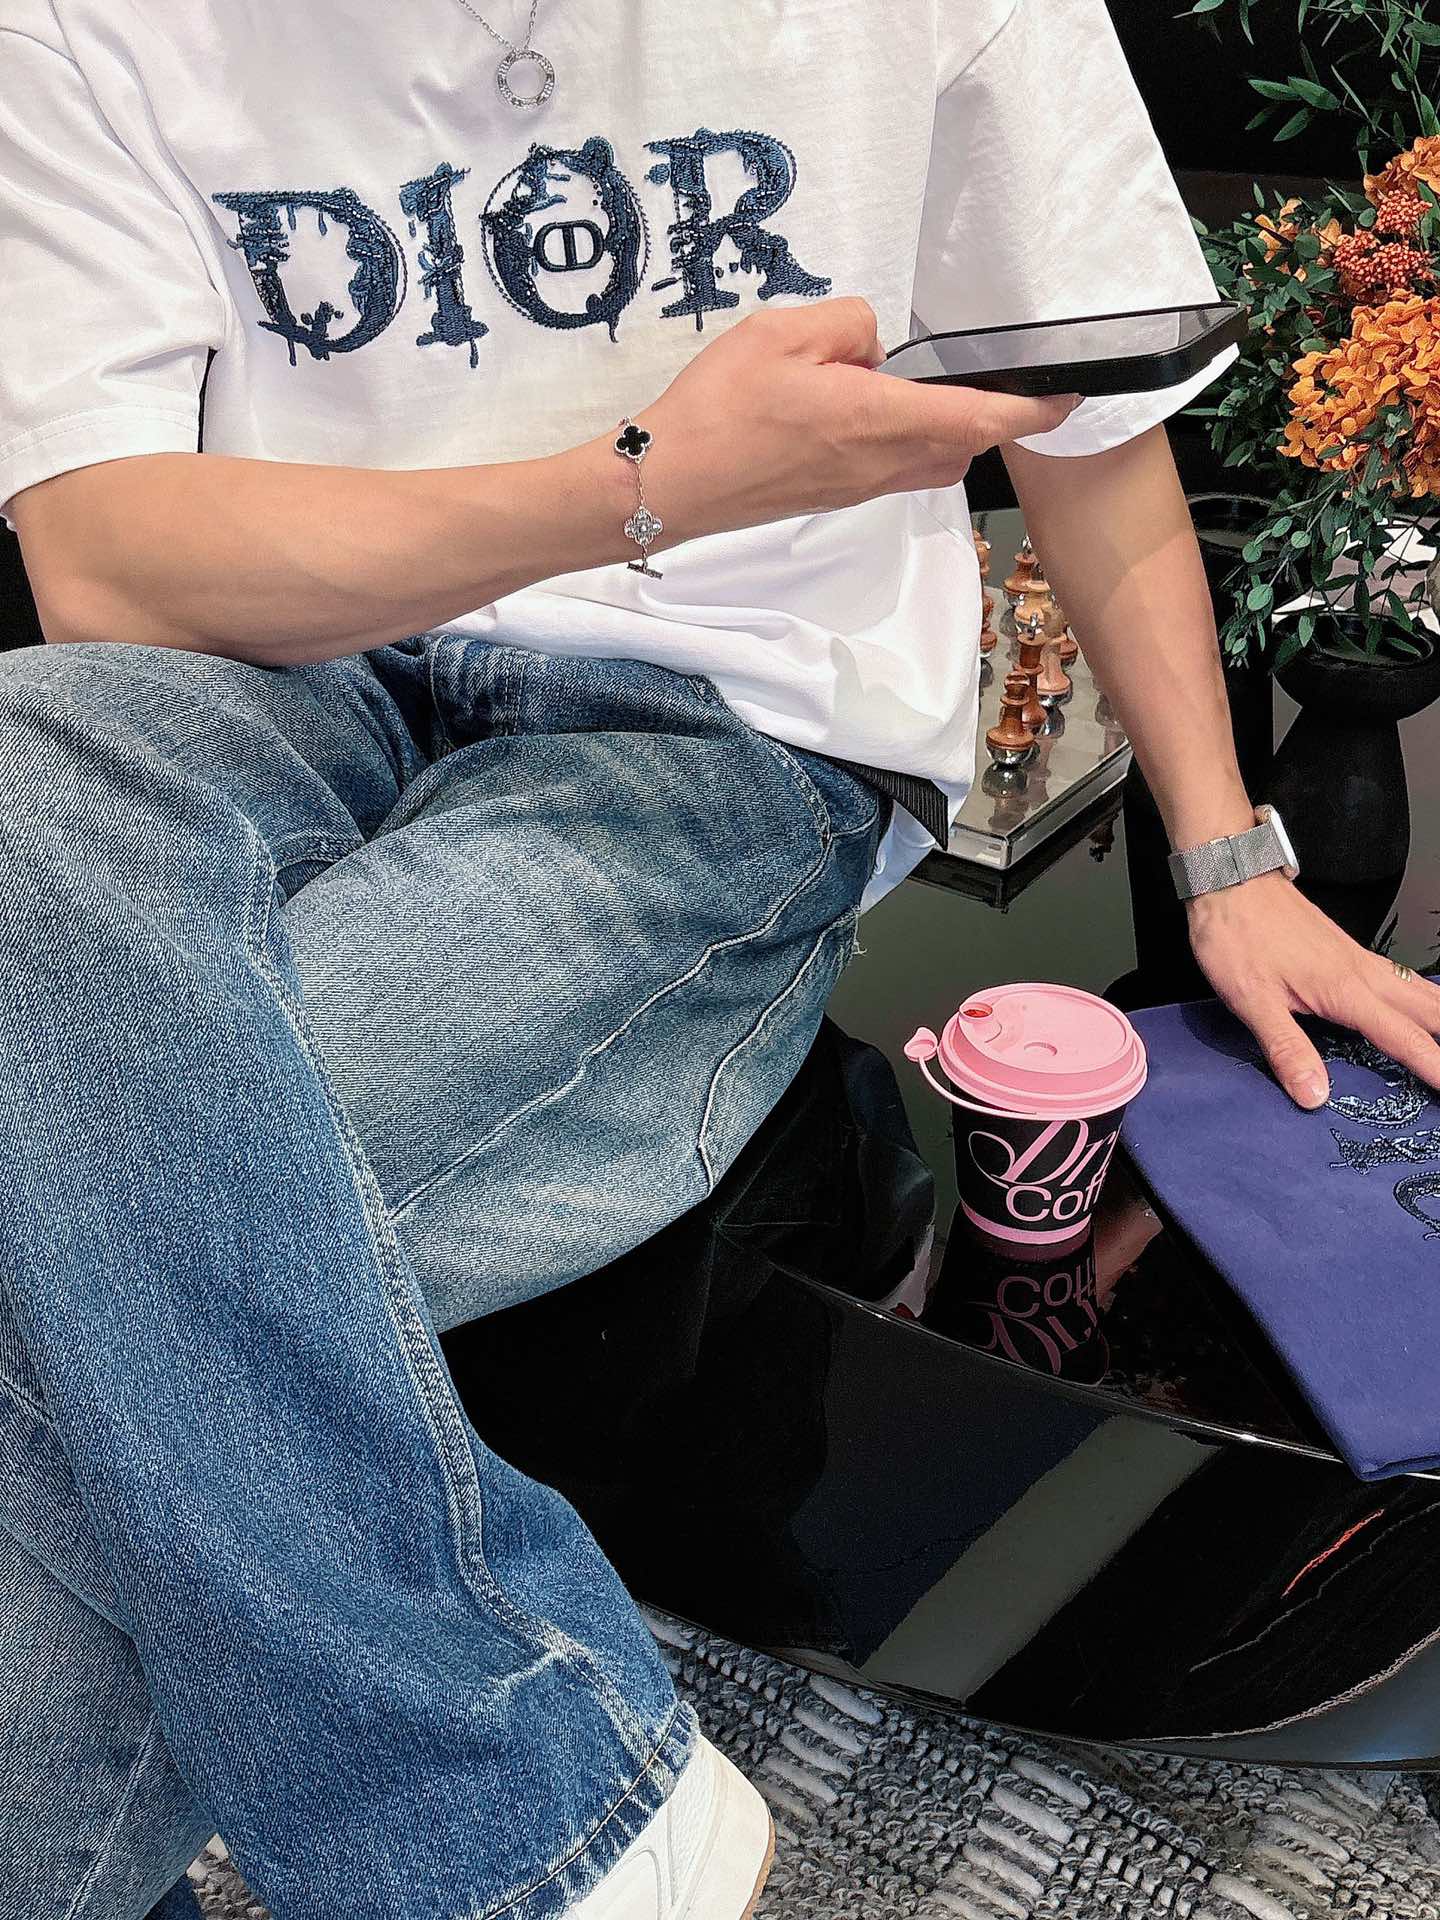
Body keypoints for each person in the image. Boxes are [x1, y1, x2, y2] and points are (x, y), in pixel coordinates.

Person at [2, 0, 1439, 1914]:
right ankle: (517, 1802)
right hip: (262, 667)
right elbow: (105, 565)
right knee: (30, 768)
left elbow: (1090, 427)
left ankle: (470, 1821)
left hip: (705, 719)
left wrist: (1230, 857)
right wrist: (645, 476)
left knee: (90, 1206)